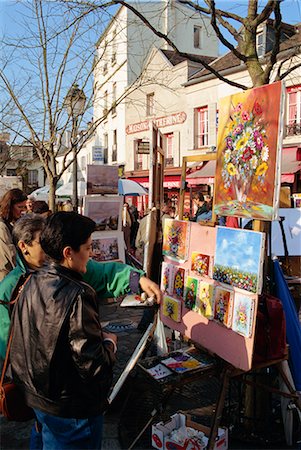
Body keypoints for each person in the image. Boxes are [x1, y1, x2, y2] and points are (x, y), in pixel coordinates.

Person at [10, 212, 117, 449]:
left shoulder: (31, 279)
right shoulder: (78, 293)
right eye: (88, 248)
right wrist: (110, 344)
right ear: (68, 252)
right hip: (70, 408)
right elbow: (93, 365)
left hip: (39, 396)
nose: (92, 254)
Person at [0, 214, 161, 361]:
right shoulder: (11, 286)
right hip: (34, 374)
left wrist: (135, 279)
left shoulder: (68, 268)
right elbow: (6, 340)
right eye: (42, 241)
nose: (48, 244)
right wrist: (109, 345)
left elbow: (104, 274)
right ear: (23, 246)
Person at [0, 188, 27, 281]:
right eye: (20, 207)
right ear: (10, 206)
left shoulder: (10, 223)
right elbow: (10, 254)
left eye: (24, 207)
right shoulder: (2, 226)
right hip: (6, 276)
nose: (23, 211)